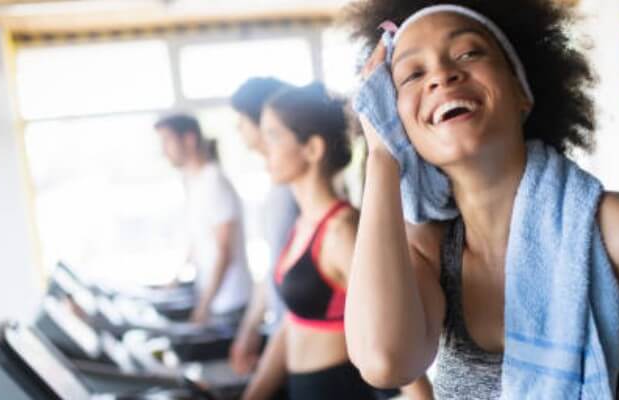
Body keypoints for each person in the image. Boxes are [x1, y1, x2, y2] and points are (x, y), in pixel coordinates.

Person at [341, 1, 619, 399]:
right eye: (412, 74)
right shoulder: (428, 252)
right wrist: (382, 157)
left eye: (468, 52)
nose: (442, 74)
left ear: (522, 90)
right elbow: (385, 361)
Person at [242, 83, 432, 400]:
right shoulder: (303, 224)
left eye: (273, 135)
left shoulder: (343, 232)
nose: (263, 147)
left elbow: (394, 346)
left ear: (312, 149)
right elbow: (294, 323)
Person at [228, 77, 300, 375]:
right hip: (285, 335)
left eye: (242, 120)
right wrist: (250, 328)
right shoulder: (277, 187)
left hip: (301, 338)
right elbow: (274, 268)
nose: (238, 129)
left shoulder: (292, 191)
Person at [155, 114, 252, 325]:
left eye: (167, 141)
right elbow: (198, 240)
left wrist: (204, 305)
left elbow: (224, 250)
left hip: (230, 302)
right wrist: (175, 280)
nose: (163, 151)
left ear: (189, 139)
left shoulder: (214, 182)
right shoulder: (194, 182)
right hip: (215, 298)